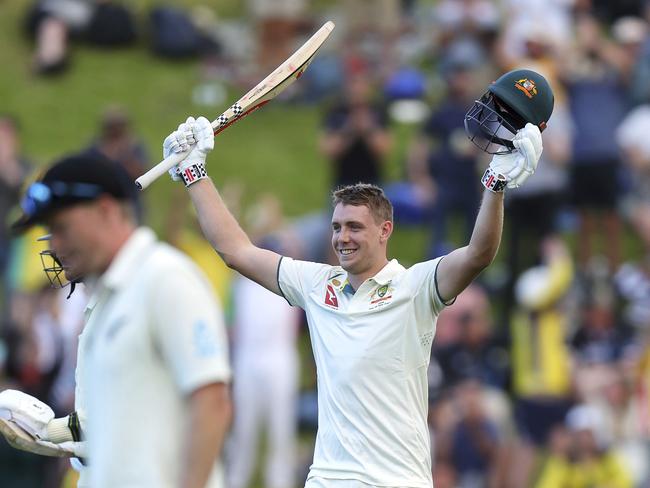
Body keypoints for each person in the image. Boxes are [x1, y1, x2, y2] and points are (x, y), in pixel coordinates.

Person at [164, 68, 552, 487]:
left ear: (385, 230)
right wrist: (194, 173)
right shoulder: (317, 285)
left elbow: (479, 254)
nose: (342, 238)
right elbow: (236, 251)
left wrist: (495, 185)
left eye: (354, 228)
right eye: (336, 228)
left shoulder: (416, 287)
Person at [2, 153, 232, 488]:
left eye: (61, 228)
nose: (55, 245)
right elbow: (110, 421)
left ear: (106, 211)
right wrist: (48, 433)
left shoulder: (165, 278)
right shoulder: (103, 301)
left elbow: (212, 402)